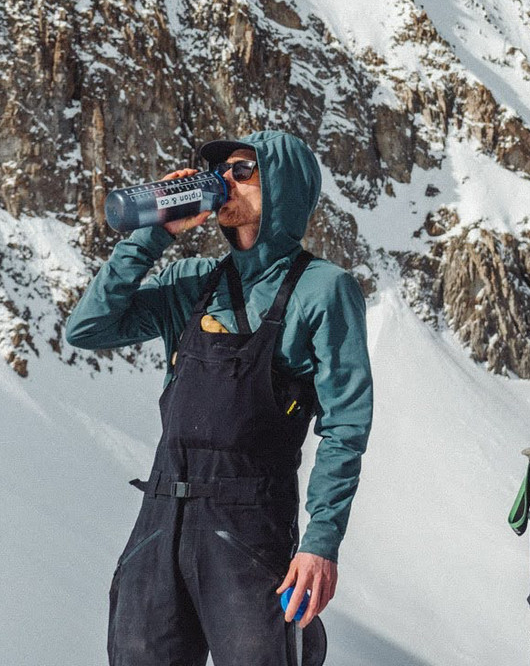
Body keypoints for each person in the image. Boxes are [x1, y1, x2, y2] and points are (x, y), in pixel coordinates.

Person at [66, 129, 373, 666]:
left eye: (243, 170)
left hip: (249, 525)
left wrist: (321, 541)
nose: (225, 179)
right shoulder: (193, 281)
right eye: (221, 170)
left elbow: (345, 425)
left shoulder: (323, 289)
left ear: (284, 186)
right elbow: (88, 328)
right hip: (159, 519)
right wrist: (154, 234)